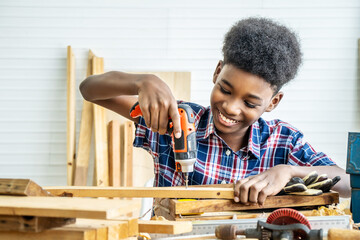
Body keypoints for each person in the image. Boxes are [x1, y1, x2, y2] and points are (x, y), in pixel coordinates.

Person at [79, 17, 351, 204]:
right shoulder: (177, 121)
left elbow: (349, 182)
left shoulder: (283, 142)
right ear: (217, 72)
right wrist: (141, 81)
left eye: (250, 103)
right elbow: (89, 90)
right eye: (226, 90)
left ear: (273, 102)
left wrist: (289, 172)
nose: (231, 107)